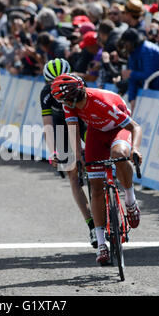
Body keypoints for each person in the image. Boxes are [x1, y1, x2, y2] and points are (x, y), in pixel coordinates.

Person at [51, 73, 143, 265]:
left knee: (119, 154)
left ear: (76, 95)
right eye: (63, 101)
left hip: (119, 128)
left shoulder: (101, 103)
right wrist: (78, 158)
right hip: (96, 132)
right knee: (96, 188)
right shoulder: (69, 104)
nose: (65, 104)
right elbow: (74, 130)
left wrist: (135, 149)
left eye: (67, 100)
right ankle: (102, 244)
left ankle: (130, 199)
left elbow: (135, 127)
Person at [41, 59, 97, 248]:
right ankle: (91, 225)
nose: (59, 88)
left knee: (96, 149)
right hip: (61, 127)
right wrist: (53, 151)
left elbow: (90, 114)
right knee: (72, 175)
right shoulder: (46, 94)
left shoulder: (80, 84)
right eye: (53, 84)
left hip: (81, 120)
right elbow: (48, 125)